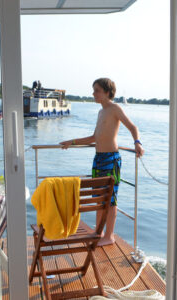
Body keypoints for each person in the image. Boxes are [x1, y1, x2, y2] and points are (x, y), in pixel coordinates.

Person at [60, 78, 144, 246]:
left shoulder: (115, 109)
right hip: (98, 159)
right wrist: (72, 141)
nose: (93, 94)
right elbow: (94, 137)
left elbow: (133, 127)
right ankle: (99, 232)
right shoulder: (101, 112)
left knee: (110, 200)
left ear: (107, 92)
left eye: (97, 90)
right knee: (99, 198)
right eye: (94, 90)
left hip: (111, 159)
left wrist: (137, 143)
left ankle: (109, 237)